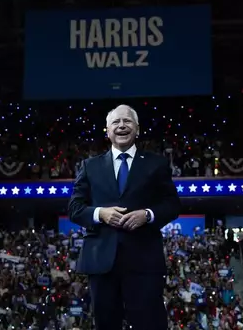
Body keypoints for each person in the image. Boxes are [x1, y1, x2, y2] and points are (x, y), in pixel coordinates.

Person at [68, 104, 180, 330]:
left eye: (127, 121)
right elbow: (75, 208)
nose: (121, 126)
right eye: (116, 122)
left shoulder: (156, 164)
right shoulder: (90, 166)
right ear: (107, 131)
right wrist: (101, 214)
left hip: (144, 262)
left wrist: (147, 215)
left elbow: (172, 204)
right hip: (102, 263)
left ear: (137, 129)